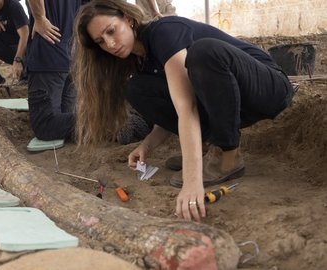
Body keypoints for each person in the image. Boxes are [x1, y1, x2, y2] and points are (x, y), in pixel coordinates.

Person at [72, 0, 294, 221]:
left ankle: (228, 156)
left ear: (128, 20)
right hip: (230, 102)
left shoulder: (164, 32)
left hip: (267, 88)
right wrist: (147, 146)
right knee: (136, 88)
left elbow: (187, 107)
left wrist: (191, 183)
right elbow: (178, 103)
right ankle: (208, 149)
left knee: (204, 51)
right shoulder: (140, 61)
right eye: (101, 41)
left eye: (111, 31)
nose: (110, 44)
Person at [24, 0, 86, 141]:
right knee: (66, 119)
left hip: (49, 53)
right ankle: (110, 122)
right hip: (71, 54)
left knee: (44, 126)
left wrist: (39, 18)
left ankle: (109, 123)